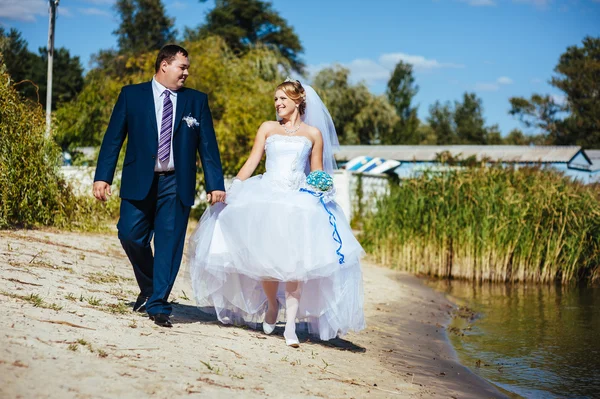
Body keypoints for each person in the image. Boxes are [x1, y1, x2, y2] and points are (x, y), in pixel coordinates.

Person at [188, 79, 365, 347]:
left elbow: (316, 171)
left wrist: (321, 188)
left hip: (297, 202)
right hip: (266, 197)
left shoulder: (313, 134)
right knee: (267, 263)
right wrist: (233, 188)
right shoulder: (268, 128)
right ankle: (272, 304)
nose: (278, 104)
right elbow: (252, 161)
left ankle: (291, 326)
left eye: (283, 98)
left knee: (297, 265)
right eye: (275, 99)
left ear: (297, 101)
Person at [93, 44, 226, 328]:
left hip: (177, 181)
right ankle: (151, 286)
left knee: (169, 244)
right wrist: (103, 176)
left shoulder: (196, 101)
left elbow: (208, 146)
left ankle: (158, 305)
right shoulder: (132, 95)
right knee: (129, 234)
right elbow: (113, 138)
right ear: (164, 65)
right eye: (183, 67)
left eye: (187, 68)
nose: (187, 73)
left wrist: (215, 183)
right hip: (139, 179)